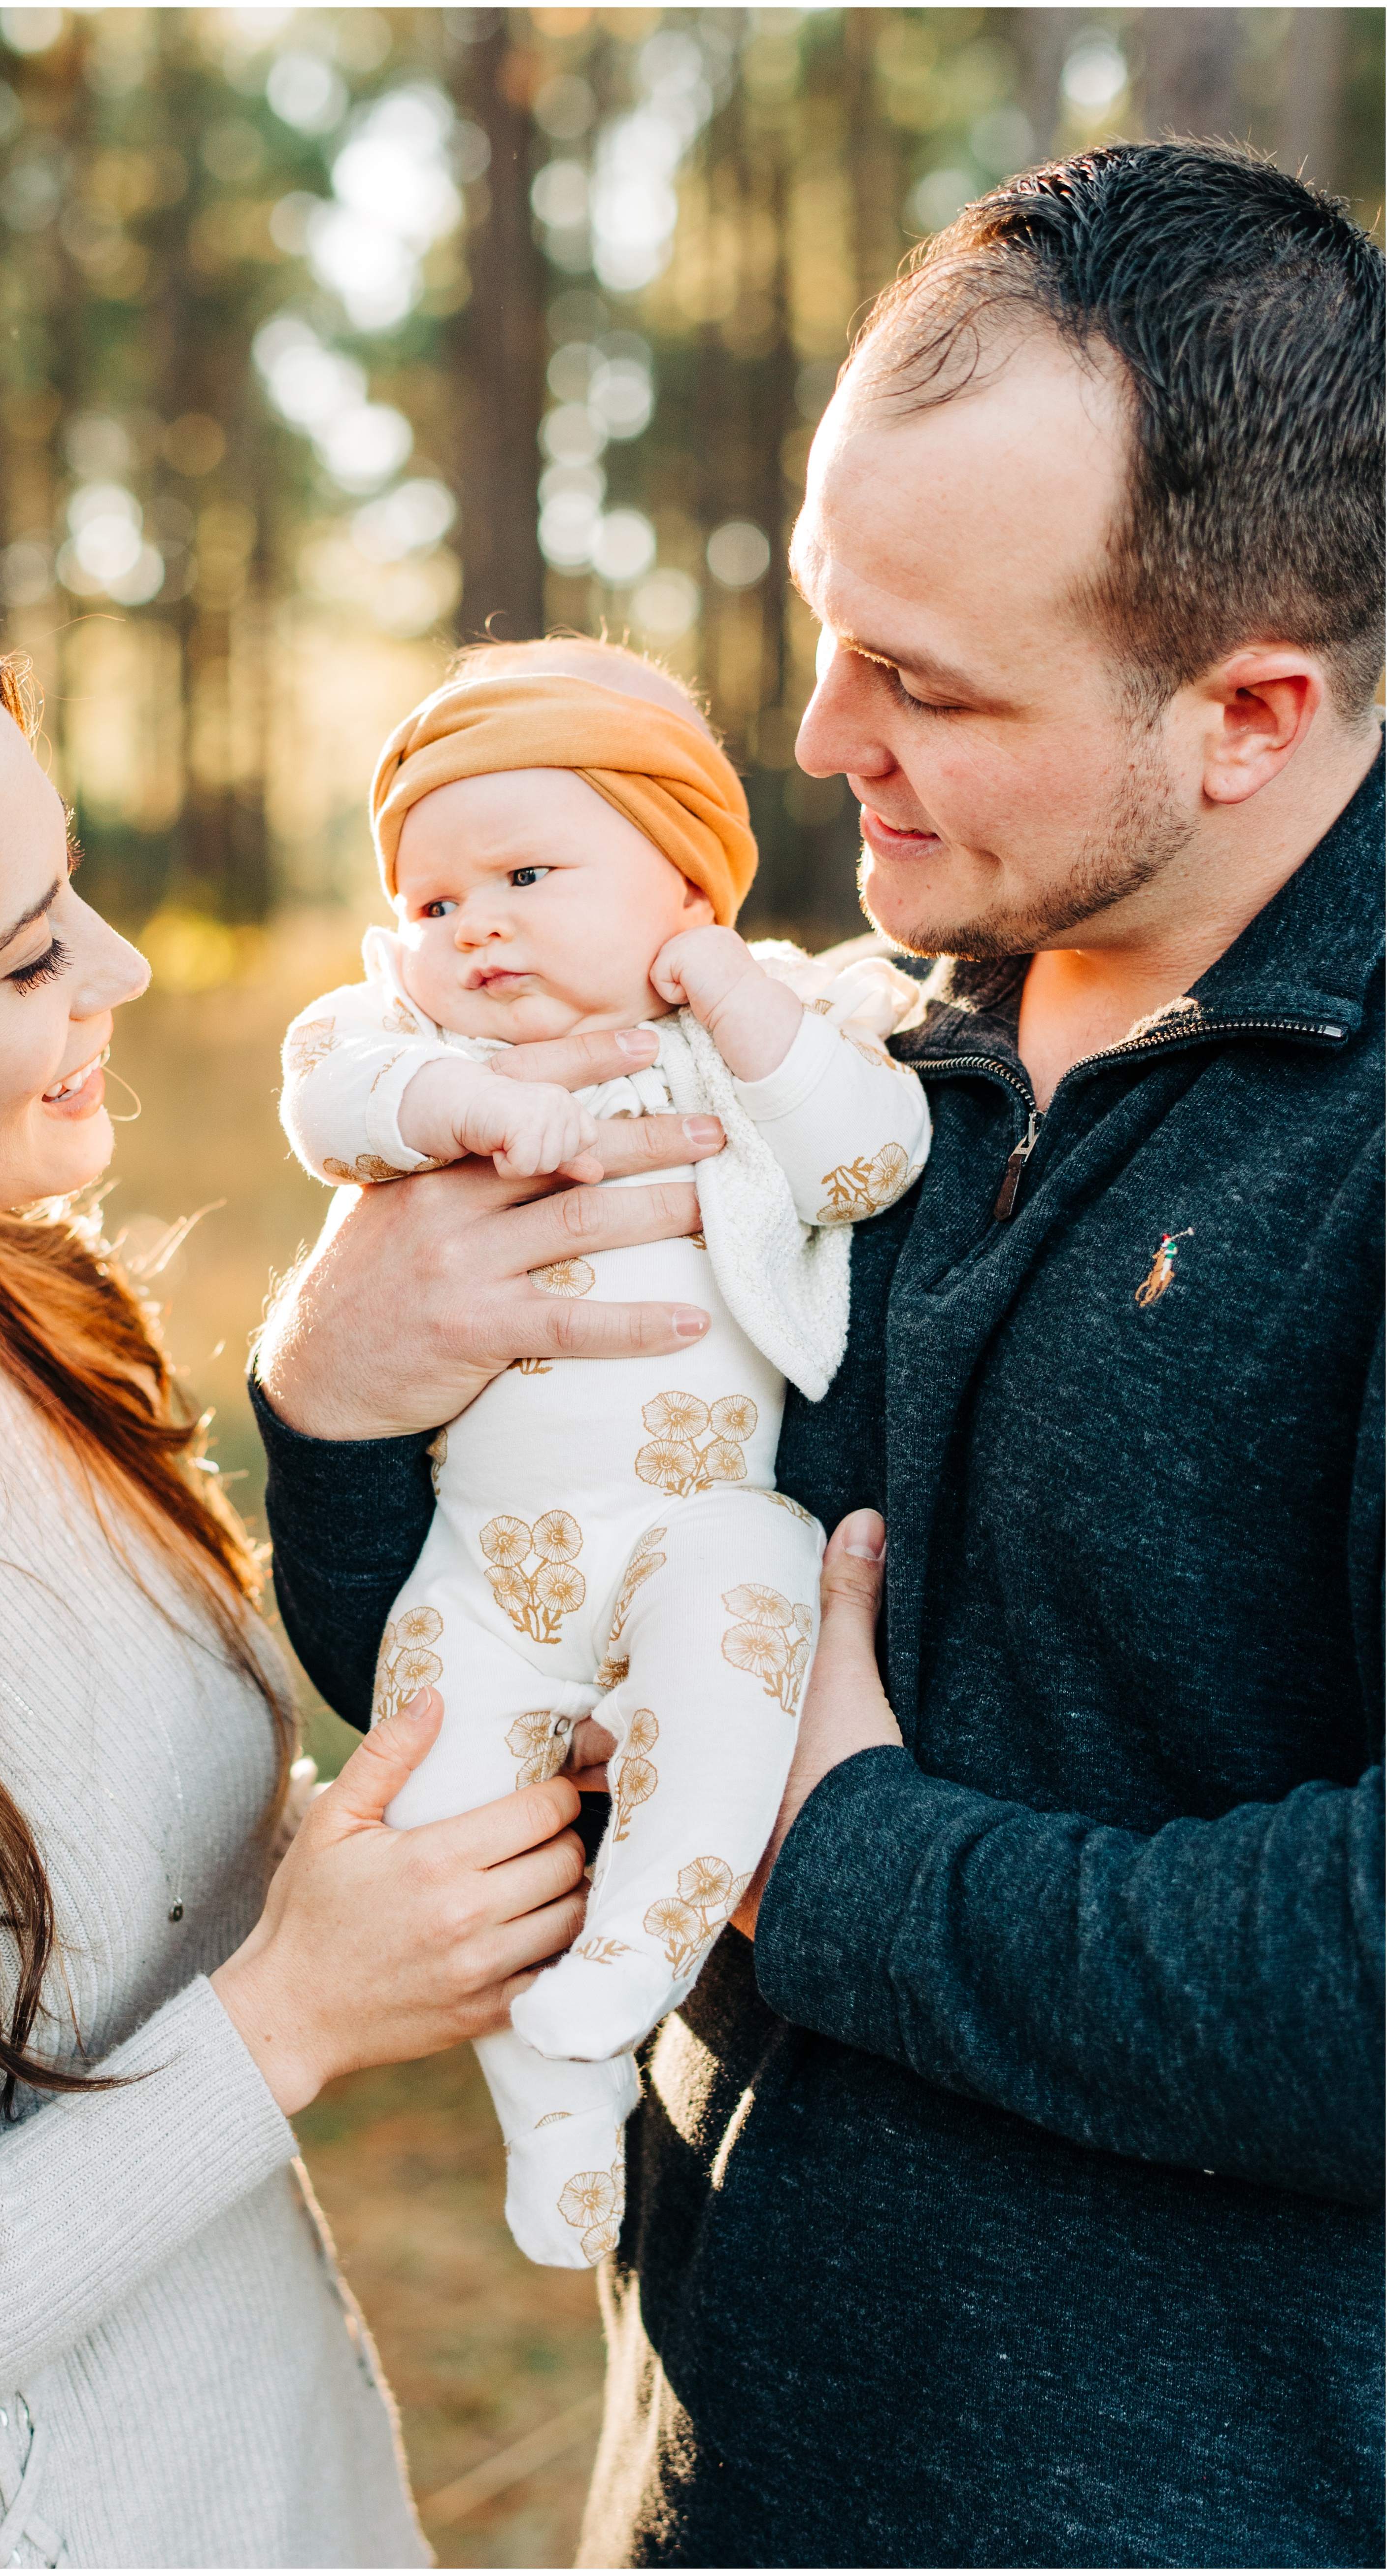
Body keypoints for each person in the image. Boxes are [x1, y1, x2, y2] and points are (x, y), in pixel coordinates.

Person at [249, 142, 1384, 2567]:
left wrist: (833, 1858)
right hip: (700, 2476)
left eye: (926, 679)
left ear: (1246, 712)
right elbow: (484, 1671)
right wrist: (340, 1396)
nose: (809, 727)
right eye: (821, 621)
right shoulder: (823, 1047)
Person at [0, 592, 600, 2571]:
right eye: (27, 951)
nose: (109, 964)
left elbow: (81, 1870)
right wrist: (283, 2020)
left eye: (73, 885)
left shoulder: (1, 1301)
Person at [279, 635, 928, 2268]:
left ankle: (630, 1965)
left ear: (685, 884)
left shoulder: (768, 1018)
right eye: (432, 900)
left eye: (524, 872)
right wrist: (459, 1105)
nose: (470, 921)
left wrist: (732, 996)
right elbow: (334, 1100)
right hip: (485, 1563)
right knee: (453, 1794)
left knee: (743, 1633)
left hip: (691, 1524)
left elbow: (868, 1157)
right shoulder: (418, 1045)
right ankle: (556, 2112)